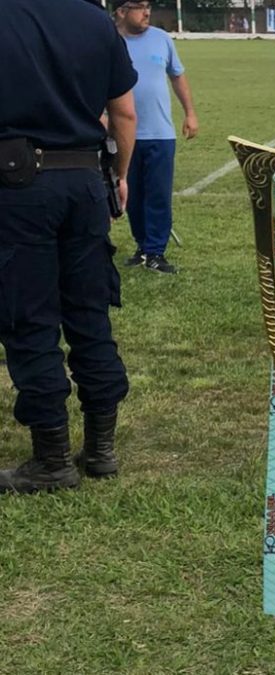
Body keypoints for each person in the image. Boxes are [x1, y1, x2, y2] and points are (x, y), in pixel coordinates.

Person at [0, 0, 136, 493]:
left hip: (17, 185)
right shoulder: (94, 18)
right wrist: (118, 177)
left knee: (28, 316)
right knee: (88, 310)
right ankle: (100, 448)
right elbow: (123, 111)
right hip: (84, 179)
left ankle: (51, 457)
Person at [114, 0, 198, 275]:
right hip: (124, 135)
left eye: (147, 6)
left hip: (160, 133)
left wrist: (190, 113)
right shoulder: (111, 41)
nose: (146, 12)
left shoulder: (162, 40)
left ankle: (156, 252)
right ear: (121, 11)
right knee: (132, 195)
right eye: (139, 6)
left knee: (158, 195)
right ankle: (143, 247)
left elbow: (177, 76)